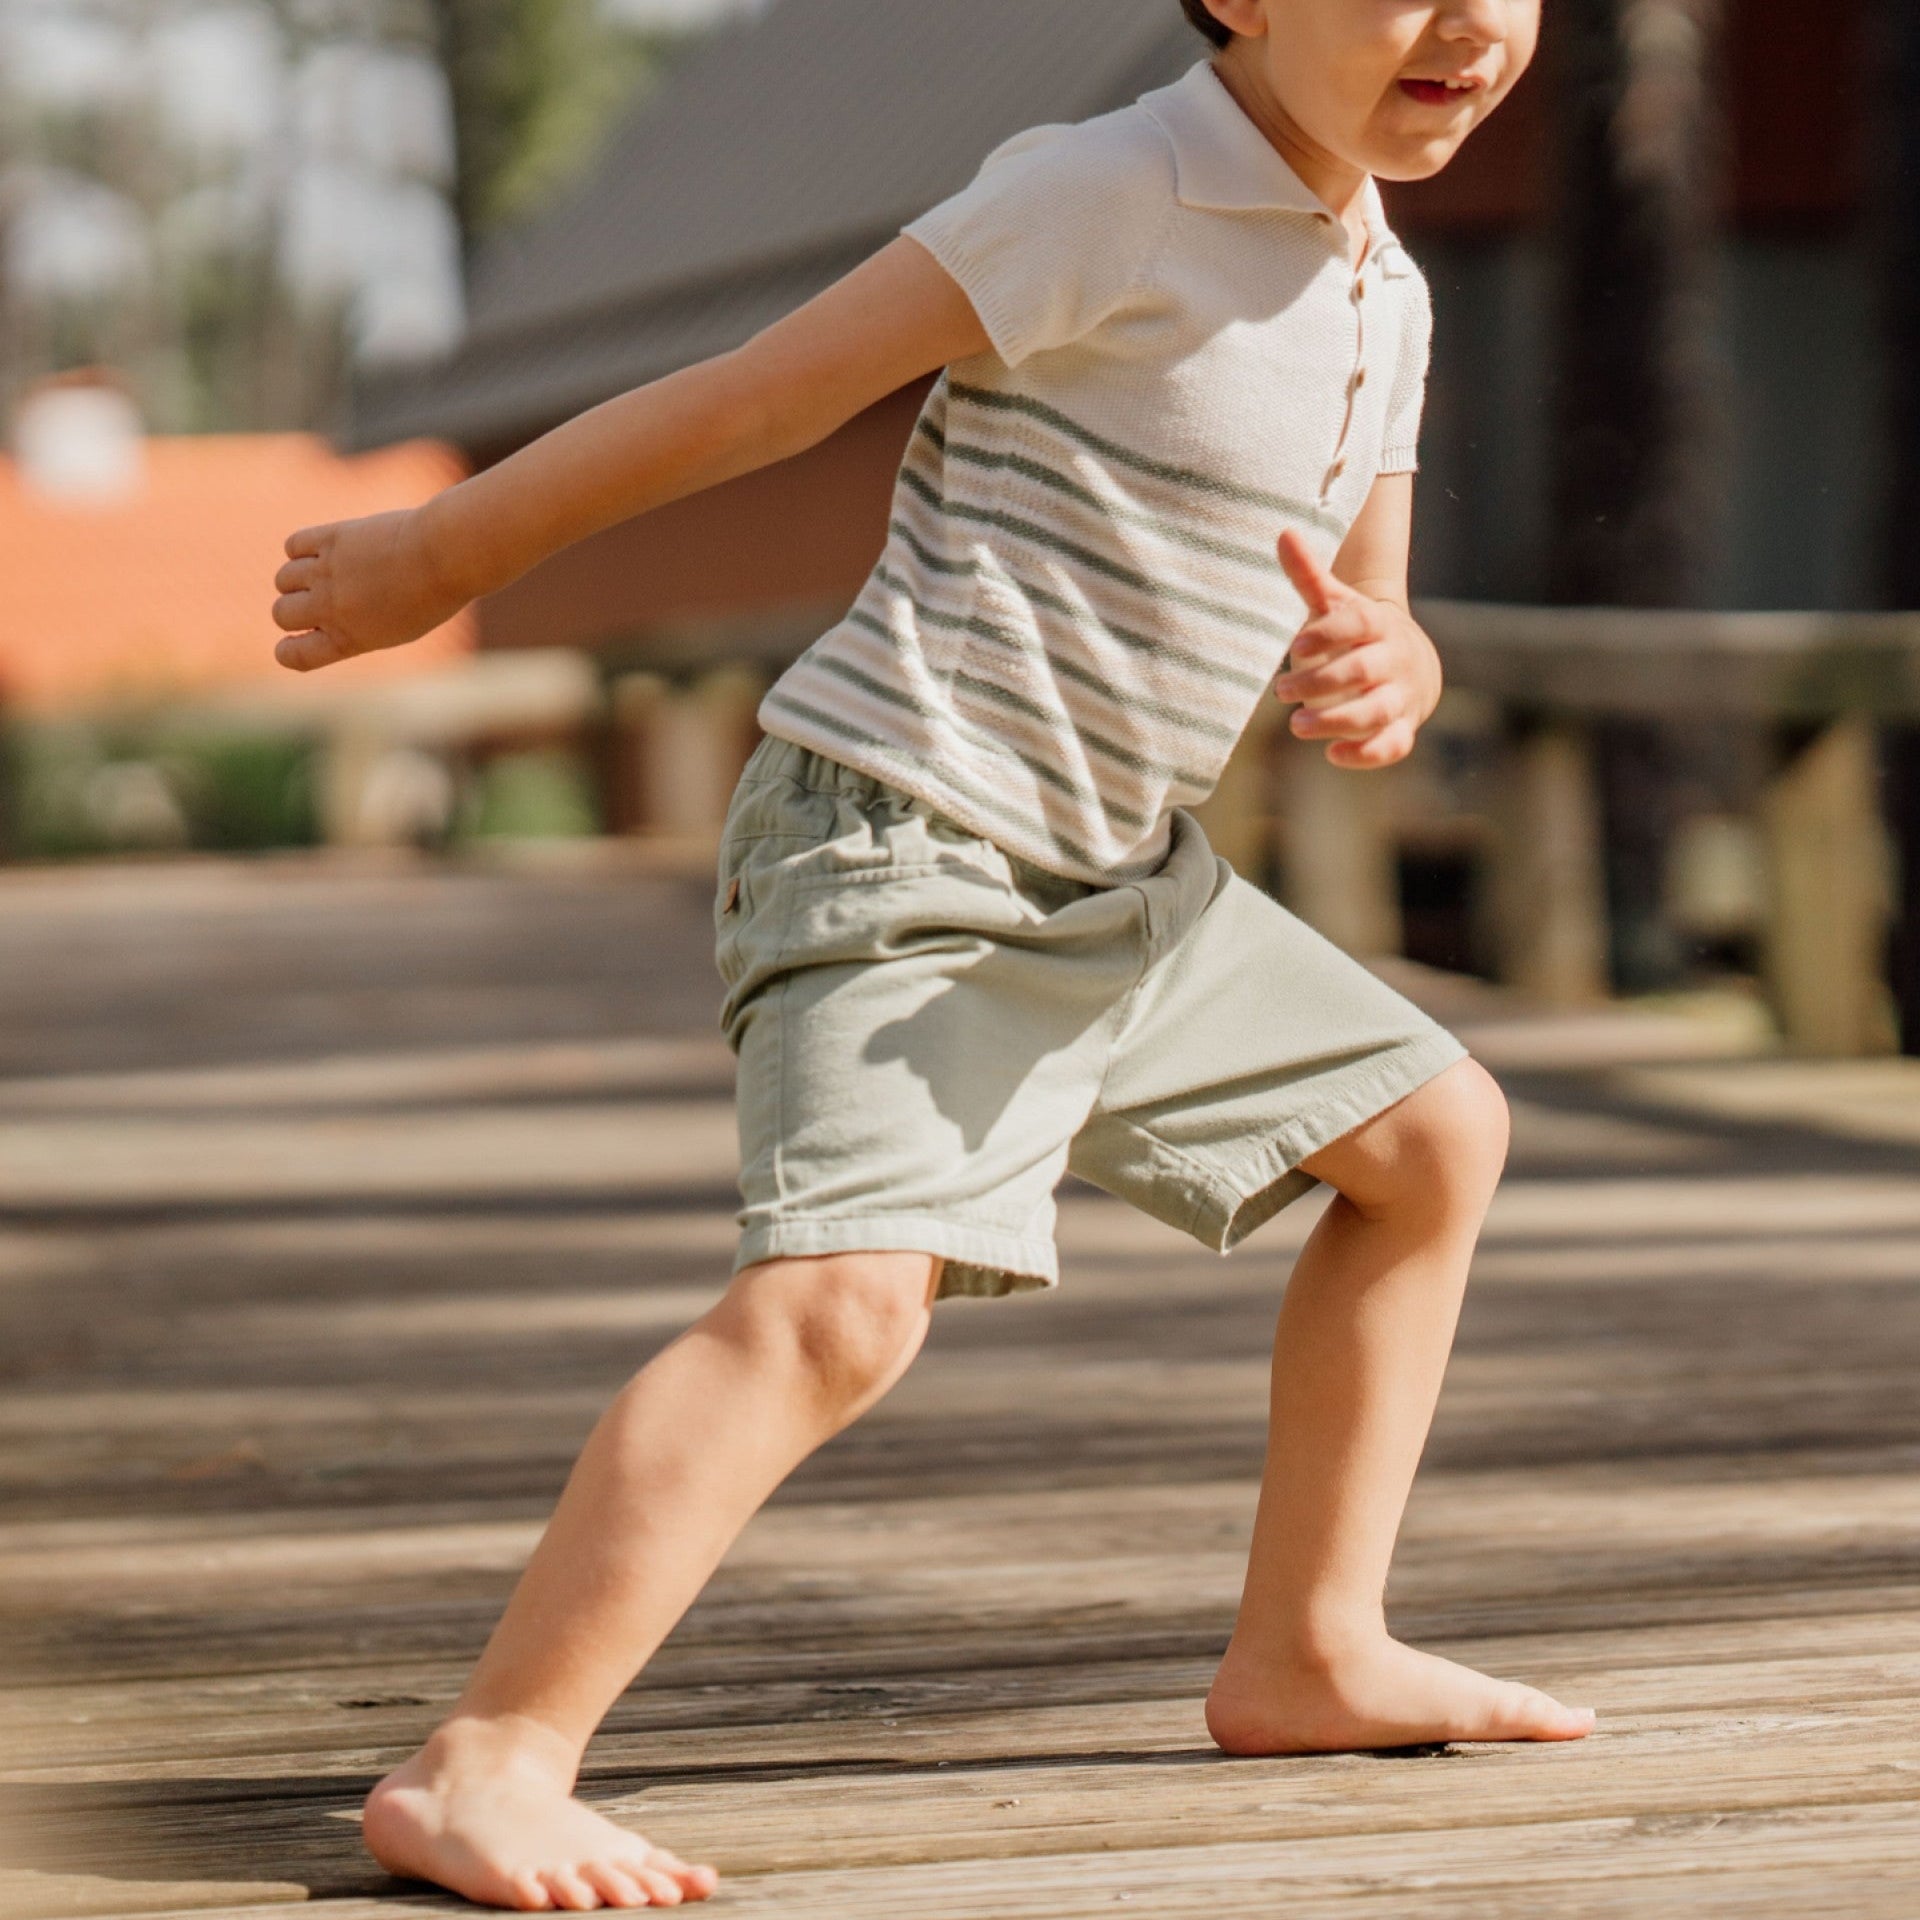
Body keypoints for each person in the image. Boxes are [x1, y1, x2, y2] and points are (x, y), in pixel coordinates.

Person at [269, 1, 1590, 1908]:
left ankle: (1311, 1644)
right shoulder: (1111, 186)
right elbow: (763, 397)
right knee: (839, 1309)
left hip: (1118, 878)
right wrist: (448, 551)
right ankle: (492, 1755)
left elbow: (1375, 605)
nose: (1468, 19)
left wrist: (1396, 668)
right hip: (903, 828)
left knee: (1434, 1136)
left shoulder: (1386, 282)